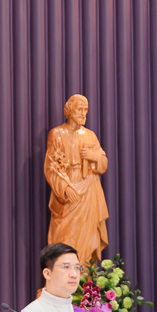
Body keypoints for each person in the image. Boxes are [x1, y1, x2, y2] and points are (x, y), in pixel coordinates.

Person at [44, 94, 109, 263]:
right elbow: (51, 167)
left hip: (89, 190)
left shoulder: (90, 135)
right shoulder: (57, 134)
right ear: (69, 111)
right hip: (68, 191)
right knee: (64, 237)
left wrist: (94, 157)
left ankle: (85, 277)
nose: (83, 113)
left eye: (85, 110)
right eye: (79, 109)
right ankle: (63, 274)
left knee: (88, 238)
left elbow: (103, 163)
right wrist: (65, 188)